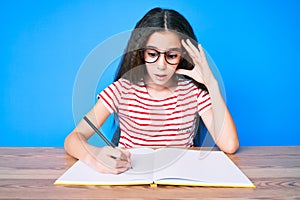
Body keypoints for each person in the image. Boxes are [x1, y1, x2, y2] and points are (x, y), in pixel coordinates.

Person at [64, 7, 239, 174]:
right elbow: (73, 138)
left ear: (182, 55)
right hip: (129, 180)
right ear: (142, 53)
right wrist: (95, 155)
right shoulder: (121, 90)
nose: (161, 66)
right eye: (153, 54)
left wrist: (211, 84)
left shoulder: (193, 92)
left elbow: (230, 145)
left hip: (180, 183)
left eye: (171, 56)